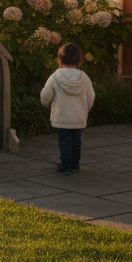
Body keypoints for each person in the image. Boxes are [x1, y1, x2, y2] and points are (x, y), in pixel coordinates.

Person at [40, 42, 96, 175]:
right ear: (80, 61)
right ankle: (75, 165)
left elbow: (46, 95)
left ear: (59, 60)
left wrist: (47, 104)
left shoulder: (55, 76)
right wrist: (85, 110)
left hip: (61, 117)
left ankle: (65, 166)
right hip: (78, 118)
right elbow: (91, 97)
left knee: (64, 142)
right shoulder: (84, 78)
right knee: (76, 142)